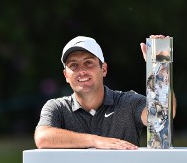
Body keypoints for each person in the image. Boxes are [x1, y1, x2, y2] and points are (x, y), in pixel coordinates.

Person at [34, 35, 176, 150]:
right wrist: (96, 141)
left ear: (104, 69)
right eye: (73, 65)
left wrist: (159, 66)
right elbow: (42, 137)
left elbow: (162, 117)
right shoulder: (57, 107)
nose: (82, 70)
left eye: (88, 62)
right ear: (66, 75)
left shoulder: (128, 102)